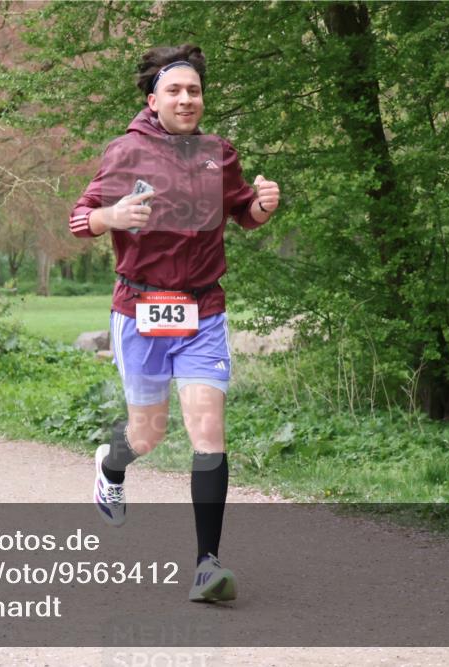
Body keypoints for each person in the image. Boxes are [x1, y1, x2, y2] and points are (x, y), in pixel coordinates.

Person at [68, 44, 279, 603]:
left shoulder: (218, 153)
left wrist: (263, 205)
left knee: (207, 431)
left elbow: (244, 214)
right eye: (176, 90)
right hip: (140, 310)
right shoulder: (125, 153)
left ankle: (207, 565)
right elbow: (79, 219)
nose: (187, 99)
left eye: (195, 90)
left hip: (203, 309)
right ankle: (111, 464)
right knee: (147, 434)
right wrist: (111, 216)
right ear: (153, 98)